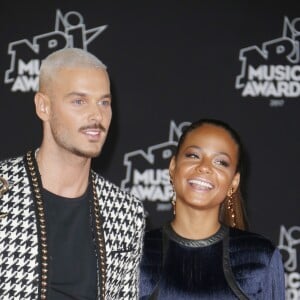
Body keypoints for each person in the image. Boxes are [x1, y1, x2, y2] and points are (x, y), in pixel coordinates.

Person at [0, 48, 145, 300]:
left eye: (104, 102)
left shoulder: (126, 212)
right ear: (43, 106)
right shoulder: (4, 193)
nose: (97, 115)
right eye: (79, 101)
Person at [139, 118, 285, 299]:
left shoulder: (260, 258)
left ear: (234, 182)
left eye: (221, 162)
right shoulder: (136, 254)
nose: (204, 167)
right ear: (173, 167)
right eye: (193, 155)